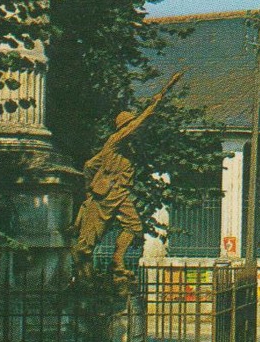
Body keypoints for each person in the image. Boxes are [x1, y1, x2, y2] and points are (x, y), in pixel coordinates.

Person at [71, 72, 182, 275]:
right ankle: (82, 271)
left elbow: (89, 165)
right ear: (125, 128)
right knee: (89, 238)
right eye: (130, 127)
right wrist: (153, 107)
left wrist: (90, 187)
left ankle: (116, 262)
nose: (135, 131)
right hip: (108, 194)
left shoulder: (122, 149)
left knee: (134, 226)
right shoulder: (116, 140)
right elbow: (135, 125)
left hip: (119, 194)